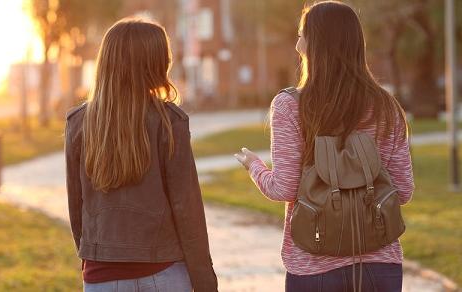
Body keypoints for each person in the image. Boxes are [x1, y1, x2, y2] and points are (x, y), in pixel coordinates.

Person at [235, 1, 414, 291]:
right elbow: (402, 192)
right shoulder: (387, 107)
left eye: (302, 35)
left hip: (313, 266)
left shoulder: (290, 106)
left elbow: (285, 188)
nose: (296, 46)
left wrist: (255, 166)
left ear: (315, 44)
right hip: (380, 265)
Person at [65, 18, 218, 292]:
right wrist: (206, 284)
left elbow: (77, 208)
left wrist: (96, 257)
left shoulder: (78, 122)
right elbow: (187, 210)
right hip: (165, 273)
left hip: (101, 276)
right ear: (155, 64)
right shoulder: (169, 121)